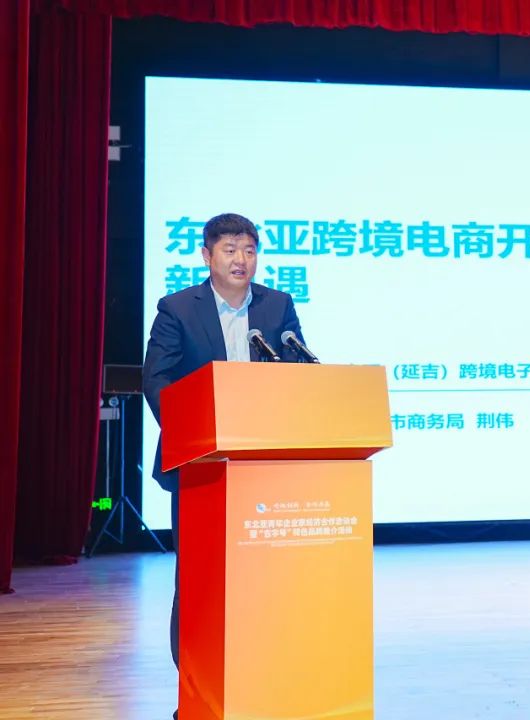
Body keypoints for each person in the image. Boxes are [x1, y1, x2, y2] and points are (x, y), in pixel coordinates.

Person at [142, 213, 307, 718]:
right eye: (230, 250)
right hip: (201, 468)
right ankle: (195, 689)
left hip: (263, 467)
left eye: (250, 250)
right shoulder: (177, 308)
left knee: (263, 580)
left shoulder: (278, 305)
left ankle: (260, 683)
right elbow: (157, 379)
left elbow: (297, 369)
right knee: (199, 582)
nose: (241, 260)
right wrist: (197, 433)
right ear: (207, 255)